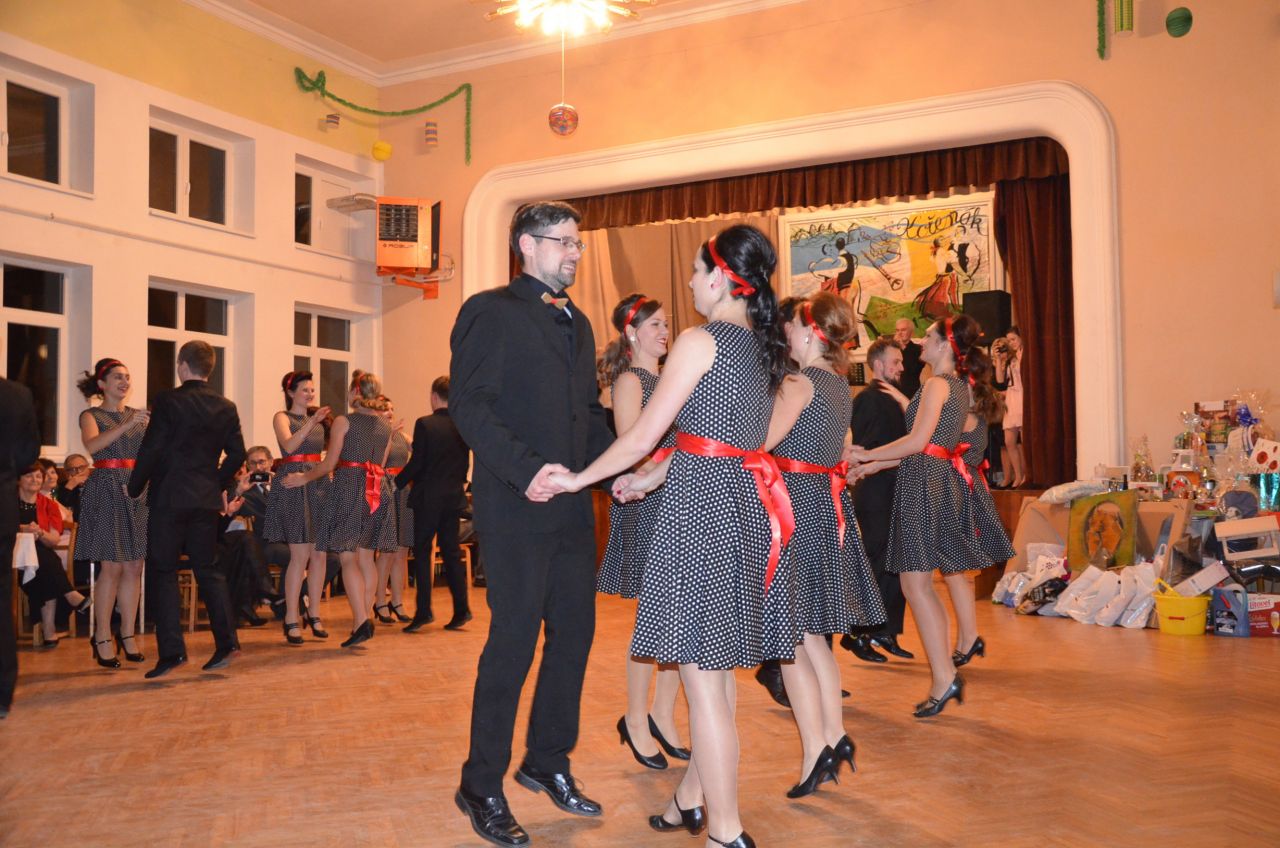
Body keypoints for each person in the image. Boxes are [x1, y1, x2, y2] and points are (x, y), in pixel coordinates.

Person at [549, 223, 795, 848]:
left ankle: (726, 832)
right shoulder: (762, 347)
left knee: (703, 682)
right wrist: (653, 476)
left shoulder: (699, 340)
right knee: (717, 676)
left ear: (721, 278)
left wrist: (578, 479)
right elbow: (721, 439)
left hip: (700, 514)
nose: (688, 282)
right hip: (742, 504)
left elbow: (640, 435)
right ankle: (690, 799)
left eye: (696, 271)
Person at [449, 201, 614, 847]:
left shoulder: (576, 320)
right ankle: (480, 783)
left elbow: (586, 415)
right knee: (512, 645)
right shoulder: (490, 311)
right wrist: (526, 471)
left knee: (574, 637)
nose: (574, 253)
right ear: (526, 244)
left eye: (577, 243)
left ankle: (547, 760)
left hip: (570, 508)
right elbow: (471, 407)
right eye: (563, 242)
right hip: (516, 508)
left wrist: (617, 470)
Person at [765, 292, 885, 798]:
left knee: (791, 640)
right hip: (823, 509)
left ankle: (815, 749)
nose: (786, 333)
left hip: (793, 511)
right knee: (813, 637)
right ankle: (834, 736)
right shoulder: (839, 385)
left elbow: (758, 443)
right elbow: (839, 453)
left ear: (811, 332)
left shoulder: (799, 383)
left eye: (792, 326)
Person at [847, 315, 990, 717]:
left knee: (917, 586)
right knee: (919, 586)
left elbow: (916, 442)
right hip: (931, 480)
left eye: (927, 337)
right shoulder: (956, 386)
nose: (920, 343)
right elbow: (928, 447)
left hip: (924, 486)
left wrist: (866, 455)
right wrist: (872, 466)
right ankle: (945, 676)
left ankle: (944, 677)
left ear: (945, 345)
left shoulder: (936, 385)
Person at [595, 293, 688, 771]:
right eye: (655, 324)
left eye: (666, 323)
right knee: (654, 617)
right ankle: (634, 718)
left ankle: (662, 715)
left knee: (679, 616)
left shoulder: (670, 377)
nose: (664, 331)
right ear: (631, 332)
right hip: (648, 503)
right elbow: (632, 448)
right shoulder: (631, 380)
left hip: (676, 500)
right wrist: (672, 468)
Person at [128, 340, 246, 679]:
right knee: (208, 568)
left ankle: (172, 653)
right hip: (204, 499)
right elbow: (237, 454)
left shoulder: (168, 400)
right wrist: (215, 482)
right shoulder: (226, 406)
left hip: (169, 497)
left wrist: (134, 486)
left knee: (163, 570)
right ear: (210, 368)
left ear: (182, 365)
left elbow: (152, 447)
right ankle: (227, 643)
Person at [282, 371, 398, 648]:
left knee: (347, 557)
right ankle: (363, 618)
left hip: (351, 488)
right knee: (367, 557)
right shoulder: (385, 425)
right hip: (378, 490)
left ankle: (361, 620)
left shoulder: (345, 421)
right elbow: (381, 463)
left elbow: (329, 463)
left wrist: (304, 478)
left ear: (355, 392)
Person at [75, 358, 150, 668]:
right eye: (118, 377)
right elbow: (93, 447)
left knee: (134, 566)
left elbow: (149, 454)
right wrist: (128, 425)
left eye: (127, 377)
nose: (124, 382)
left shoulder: (139, 417)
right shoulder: (91, 415)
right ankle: (103, 634)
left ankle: (127, 633)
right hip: (106, 489)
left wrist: (142, 484)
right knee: (112, 567)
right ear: (102, 384)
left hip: (137, 489)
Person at [843, 338, 914, 664]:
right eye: (895, 362)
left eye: (901, 361)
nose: (901, 367)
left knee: (895, 563)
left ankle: (885, 631)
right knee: (877, 563)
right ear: (878, 365)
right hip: (874, 492)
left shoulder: (898, 398)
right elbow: (861, 447)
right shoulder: (868, 399)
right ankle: (857, 633)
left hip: (895, 488)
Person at [951, 349, 1015, 665]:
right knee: (956, 572)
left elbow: (931, 439)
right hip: (966, 487)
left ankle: (969, 638)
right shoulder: (974, 408)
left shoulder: (966, 413)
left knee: (956, 572)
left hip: (962, 490)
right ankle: (968, 637)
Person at [396, 376, 471, 632]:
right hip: (453, 497)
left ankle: (424, 611)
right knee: (451, 553)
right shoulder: (462, 424)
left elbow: (417, 462)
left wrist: (396, 482)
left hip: (428, 498)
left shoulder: (425, 424)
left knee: (423, 552)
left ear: (433, 396)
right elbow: (465, 464)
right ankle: (462, 609)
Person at [264, 371, 332, 645]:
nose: (310, 394)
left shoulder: (318, 421)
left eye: (312, 390)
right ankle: (291, 617)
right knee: (300, 555)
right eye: (305, 390)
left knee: (320, 554)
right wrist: (312, 421)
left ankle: (314, 614)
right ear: (291, 393)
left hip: (317, 483)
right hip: (292, 483)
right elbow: (290, 446)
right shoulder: (282, 417)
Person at [15, 464, 92, 647]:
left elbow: (53, 540)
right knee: (48, 560)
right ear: (19, 480)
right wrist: (23, 529)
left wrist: (39, 532)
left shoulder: (49, 505)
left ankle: (49, 630)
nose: (35, 480)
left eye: (38, 476)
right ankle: (70, 596)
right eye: (29, 476)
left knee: (44, 562)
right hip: (12, 556)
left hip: (38, 563)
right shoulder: (8, 502)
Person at [1, 377, 41, 718]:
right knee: (1, 601)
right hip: (2, 508)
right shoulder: (17, 394)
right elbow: (29, 454)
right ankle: (2, 693)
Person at [373, 395, 413, 624]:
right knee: (387, 551)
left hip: (403, 490)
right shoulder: (376, 435)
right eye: (384, 408)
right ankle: (379, 601)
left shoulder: (403, 436)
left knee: (401, 551)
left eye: (391, 408)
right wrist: (388, 435)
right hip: (385, 489)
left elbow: (421, 452)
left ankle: (397, 602)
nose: (389, 412)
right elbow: (378, 463)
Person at [993, 327, 1027, 487]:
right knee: (1009, 441)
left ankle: (1027, 475)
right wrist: (999, 360)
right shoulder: (1010, 359)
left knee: (1025, 442)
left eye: (1013, 339)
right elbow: (1000, 380)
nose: (1011, 343)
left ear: (1021, 338)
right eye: (1009, 340)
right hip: (1011, 401)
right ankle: (1018, 476)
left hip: (1023, 398)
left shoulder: (1024, 354)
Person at [893, 317, 925, 398]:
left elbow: (912, 370)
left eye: (903, 330)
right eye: (897, 330)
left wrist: (903, 347)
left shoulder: (919, 349)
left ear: (911, 333)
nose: (899, 333)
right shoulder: (891, 349)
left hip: (911, 394)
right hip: (893, 393)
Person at [55, 454, 89, 522]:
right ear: (67, 473)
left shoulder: (99, 485)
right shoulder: (60, 488)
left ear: (88, 468)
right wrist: (69, 487)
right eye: (73, 469)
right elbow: (60, 511)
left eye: (82, 467)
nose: (79, 472)